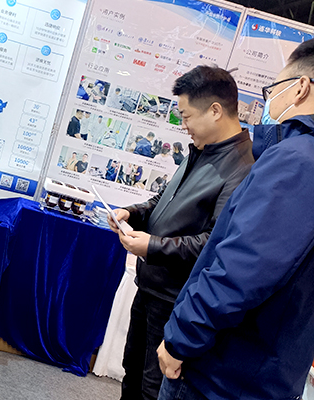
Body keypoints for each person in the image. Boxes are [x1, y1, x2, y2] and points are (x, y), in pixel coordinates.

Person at [157, 39, 314, 400]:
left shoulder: (297, 160)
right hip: (267, 368)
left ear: (300, 88)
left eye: (273, 90)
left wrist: (182, 337)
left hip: (224, 372)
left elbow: (243, 266)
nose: (268, 102)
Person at [108, 65, 254, 400]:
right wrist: (133, 213)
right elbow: (164, 201)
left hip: (176, 299)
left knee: (153, 388)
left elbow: (214, 243)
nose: (183, 125)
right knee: (132, 372)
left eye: (186, 116)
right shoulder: (200, 150)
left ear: (215, 110)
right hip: (150, 287)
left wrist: (153, 247)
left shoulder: (243, 167)